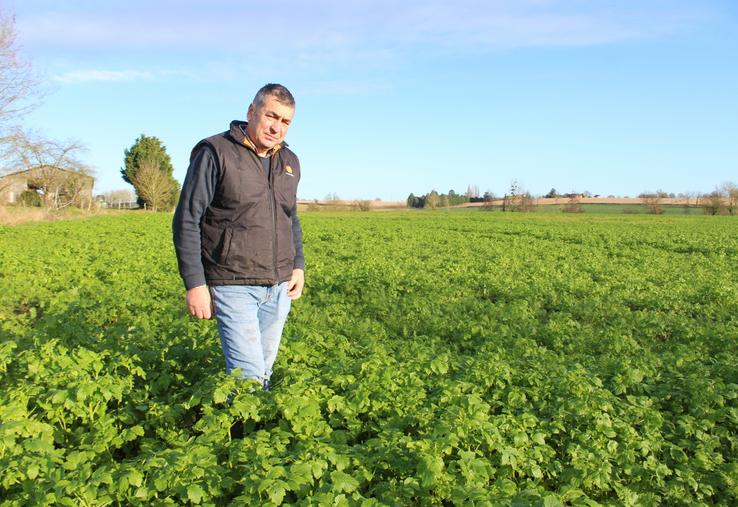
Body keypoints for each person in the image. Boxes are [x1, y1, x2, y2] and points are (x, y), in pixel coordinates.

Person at [172, 83, 304, 391]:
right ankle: (238, 435)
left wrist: (297, 264)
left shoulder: (289, 162)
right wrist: (195, 284)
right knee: (249, 380)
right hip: (233, 285)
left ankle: (255, 433)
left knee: (264, 374)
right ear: (251, 111)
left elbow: (290, 217)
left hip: (279, 286)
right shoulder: (215, 152)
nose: (276, 127)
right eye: (271, 115)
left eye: (285, 121)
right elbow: (187, 219)